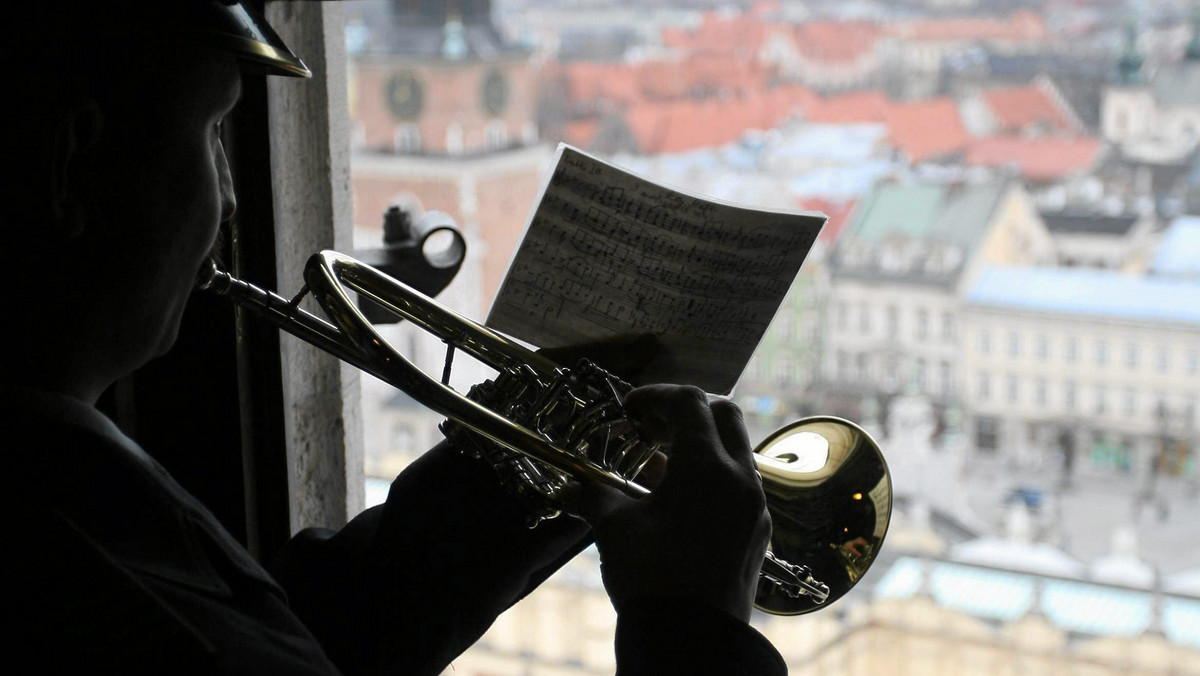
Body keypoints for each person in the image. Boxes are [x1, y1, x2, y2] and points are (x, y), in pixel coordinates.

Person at [3, 2, 785, 674]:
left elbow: (310, 637)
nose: (234, 203)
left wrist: (514, 464)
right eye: (212, 134)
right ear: (75, 165)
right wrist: (695, 630)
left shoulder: (63, 478)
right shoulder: (103, 580)